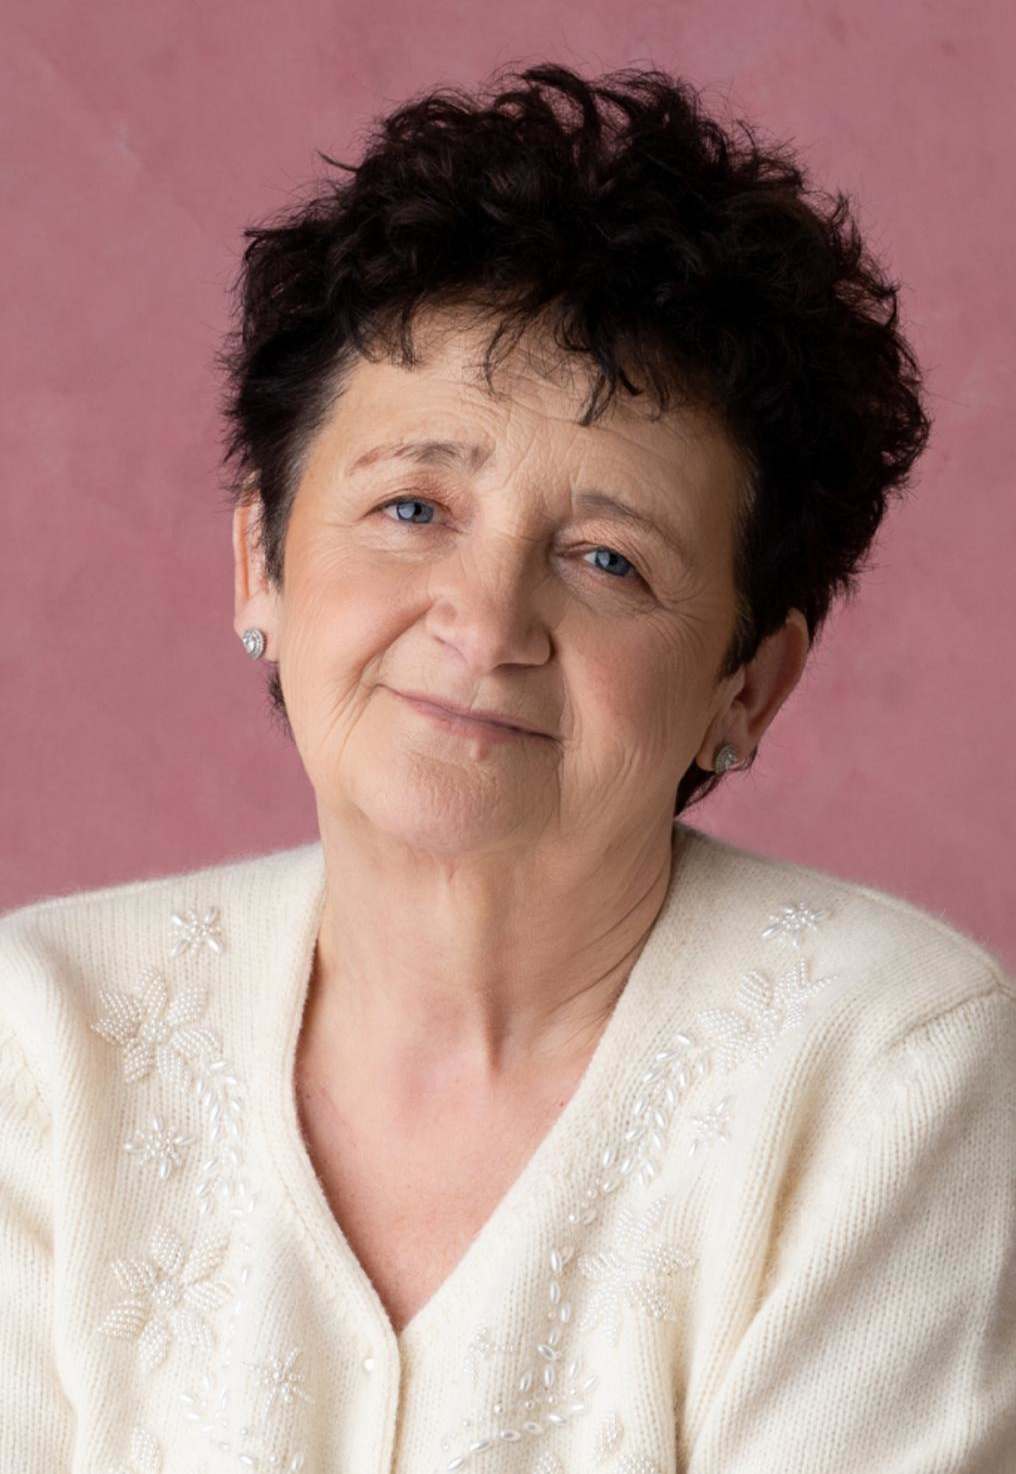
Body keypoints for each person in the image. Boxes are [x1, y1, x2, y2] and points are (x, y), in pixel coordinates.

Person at [2, 61, 1013, 1474]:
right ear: (261, 563)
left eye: (608, 559)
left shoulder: (889, 1063)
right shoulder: (43, 1037)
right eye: (412, 507)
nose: (483, 625)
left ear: (747, 683)